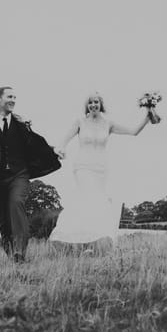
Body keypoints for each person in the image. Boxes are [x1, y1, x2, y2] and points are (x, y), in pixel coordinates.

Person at [50, 92, 151, 249]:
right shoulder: (80, 122)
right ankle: (74, 237)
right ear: (87, 106)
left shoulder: (108, 123)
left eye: (96, 102)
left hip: (101, 169)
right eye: (90, 103)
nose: (93, 105)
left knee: (97, 203)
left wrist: (147, 115)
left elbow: (133, 131)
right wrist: (60, 149)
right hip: (82, 166)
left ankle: (91, 242)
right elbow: (64, 140)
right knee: (90, 197)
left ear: (101, 104)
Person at [0, 86, 61, 262]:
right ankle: (11, 254)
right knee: (4, 220)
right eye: (9, 96)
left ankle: (20, 252)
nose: (13, 100)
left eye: (15, 97)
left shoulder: (20, 123)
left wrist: (53, 150)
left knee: (16, 204)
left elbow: (35, 145)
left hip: (18, 175)